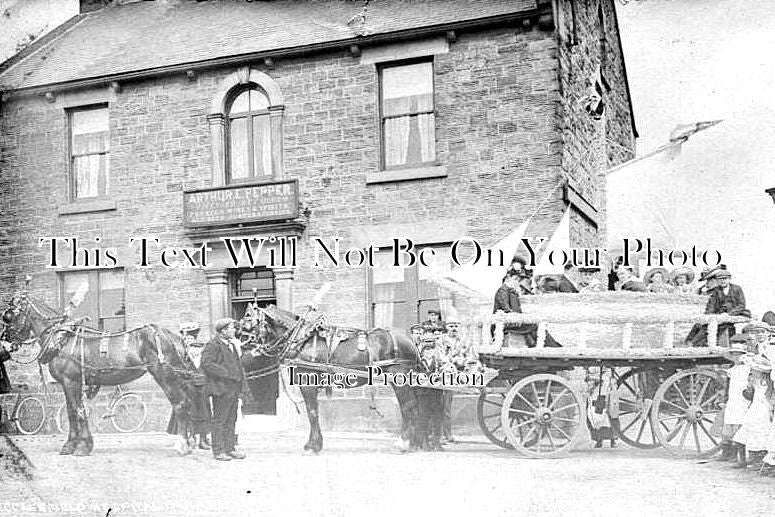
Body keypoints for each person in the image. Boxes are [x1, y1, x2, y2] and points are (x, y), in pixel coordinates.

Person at [200, 318, 250, 461]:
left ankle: (230, 449)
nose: (234, 330)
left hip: (233, 388)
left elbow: (237, 364)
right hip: (221, 389)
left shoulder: (232, 345)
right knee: (220, 420)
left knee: (231, 419)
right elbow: (206, 364)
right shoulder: (213, 345)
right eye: (232, 328)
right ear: (223, 331)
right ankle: (219, 451)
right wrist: (227, 373)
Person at [732, 355, 773, 470]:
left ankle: (758, 461)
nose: (753, 372)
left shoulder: (768, 383)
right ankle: (743, 460)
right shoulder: (754, 382)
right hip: (754, 409)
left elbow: (769, 398)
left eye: (755, 370)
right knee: (742, 435)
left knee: (759, 436)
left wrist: (770, 409)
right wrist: (748, 388)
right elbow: (748, 396)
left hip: (763, 410)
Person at [714, 337, 750, 462]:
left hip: (743, 401)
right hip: (733, 400)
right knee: (728, 425)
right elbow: (727, 387)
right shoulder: (731, 371)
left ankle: (741, 457)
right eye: (734, 355)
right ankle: (729, 453)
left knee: (739, 427)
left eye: (739, 354)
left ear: (743, 355)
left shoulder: (748, 369)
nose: (737, 357)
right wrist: (724, 399)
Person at [414, 337, 444, 451]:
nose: (429, 352)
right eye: (426, 350)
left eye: (431, 350)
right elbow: (414, 375)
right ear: (422, 351)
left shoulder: (439, 364)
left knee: (437, 418)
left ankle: (436, 442)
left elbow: (444, 375)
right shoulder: (418, 364)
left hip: (436, 394)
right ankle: (424, 442)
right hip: (423, 394)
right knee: (423, 417)